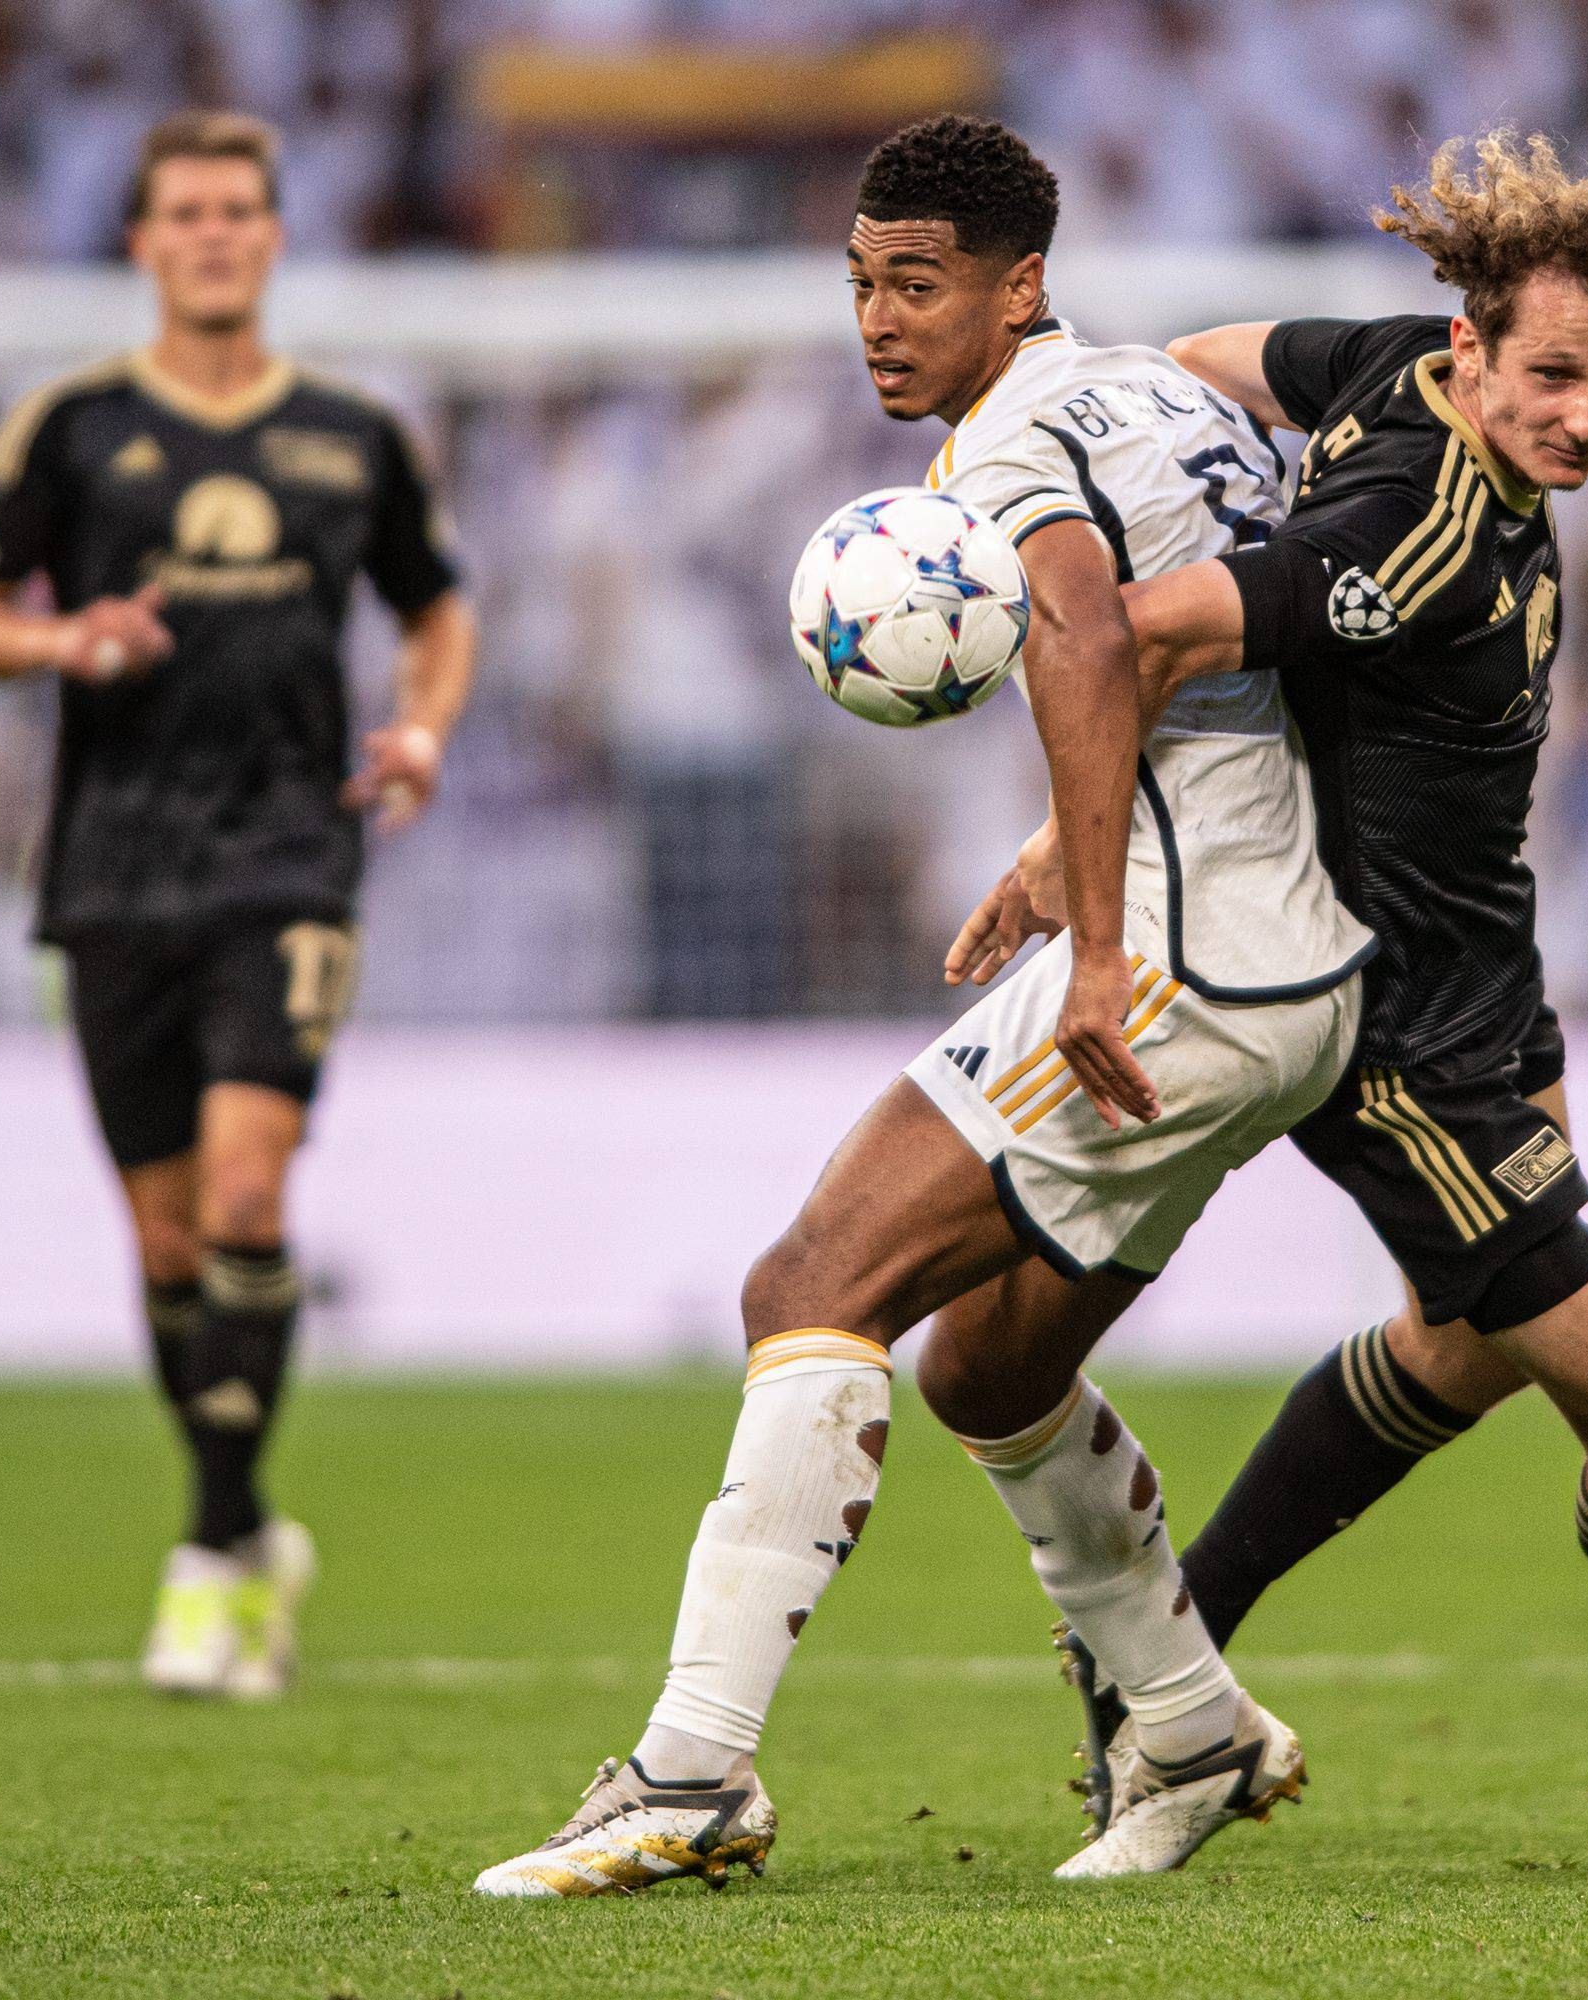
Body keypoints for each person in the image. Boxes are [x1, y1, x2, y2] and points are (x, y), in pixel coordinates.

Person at [471, 115, 1372, 1898]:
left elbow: (1089, 633)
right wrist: (1062, 854)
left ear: (1017, 287)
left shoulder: (1016, 439)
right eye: (863, 283)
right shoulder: (1157, 394)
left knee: (814, 1285)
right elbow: (1215, 646)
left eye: (919, 285)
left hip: (1184, 957)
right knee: (993, 1365)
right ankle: (1190, 1725)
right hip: (1299, 950)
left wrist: (1096, 943)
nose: (881, 321)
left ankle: (691, 1774)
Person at [940, 132, 1588, 1875]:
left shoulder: (1388, 364)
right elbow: (1137, 629)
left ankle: (1162, 1655)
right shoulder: (1411, 537)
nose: (1584, 418)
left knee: (1465, 1345)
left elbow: (1194, 368)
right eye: (1553, 378)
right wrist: (1071, 856)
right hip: (1396, 1025)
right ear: (1477, 348)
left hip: (1488, 970)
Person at [0, 110, 476, 1701]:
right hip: (112, 871)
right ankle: (243, 1525)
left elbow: (438, 609)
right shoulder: (72, 428)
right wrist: (60, 641)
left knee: (244, 1193)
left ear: (273, 238)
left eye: (239, 209)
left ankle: (211, 1555)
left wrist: (423, 728)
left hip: (291, 859)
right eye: (188, 212)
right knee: (166, 1239)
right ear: (144, 243)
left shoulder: (354, 436)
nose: (215, 234)